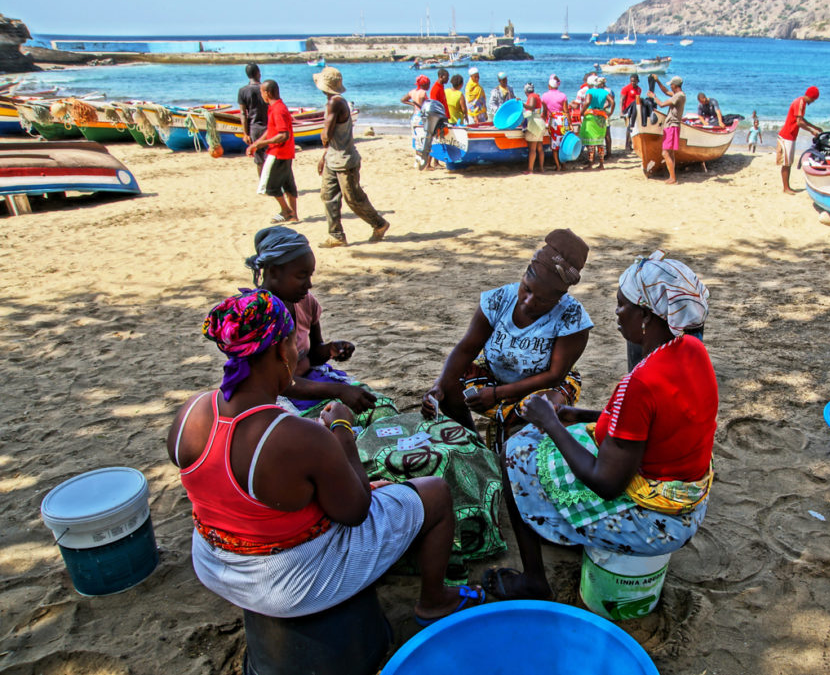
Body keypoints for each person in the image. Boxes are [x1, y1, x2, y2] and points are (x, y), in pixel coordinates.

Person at [167, 289, 484, 624]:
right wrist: (342, 428)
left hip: (213, 565)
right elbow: (356, 511)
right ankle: (434, 601)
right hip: (285, 584)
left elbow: (234, 486)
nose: (295, 353)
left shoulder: (192, 413)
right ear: (280, 350)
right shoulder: (298, 436)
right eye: (292, 344)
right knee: (435, 493)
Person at [485, 250, 717, 601]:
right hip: (687, 499)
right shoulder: (691, 349)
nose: (617, 311)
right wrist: (583, 416)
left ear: (645, 317)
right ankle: (575, 532)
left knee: (516, 452)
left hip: (656, 522)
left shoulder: (641, 383)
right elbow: (655, 422)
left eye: (623, 305)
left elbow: (606, 483)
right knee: (559, 437)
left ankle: (534, 579)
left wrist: (550, 422)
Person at [421, 229, 593, 446]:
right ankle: (476, 446)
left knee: (542, 412)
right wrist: (439, 385)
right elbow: (467, 348)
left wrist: (496, 394)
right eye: (526, 289)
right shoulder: (498, 299)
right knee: (448, 388)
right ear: (523, 277)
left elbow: (554, 375)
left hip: (544, 383)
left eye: (541, 299)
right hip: (495, 372)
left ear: (559, 298)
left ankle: (516, 448)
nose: (528, 302)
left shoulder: (573, 319)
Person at [245, 226, 395, 426]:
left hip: (313, 381)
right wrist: (339, 391)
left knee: (382, 410)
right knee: (323, 432)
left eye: (310, 275)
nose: (309, 284)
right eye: (301, 276)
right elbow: (275, 382)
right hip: (278, 395)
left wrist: (331, 349)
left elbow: (312, 353)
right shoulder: (257, 315)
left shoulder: (305, 302)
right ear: (273, 272)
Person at [314, 67, 389, 248]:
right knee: (328, 196)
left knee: (353, 198)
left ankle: (379, 223)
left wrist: (325, 143)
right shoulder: (334, 102)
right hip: (334, 158)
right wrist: (324, 156)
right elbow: (331, 138)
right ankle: (336, 235)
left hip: (344, 160)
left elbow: (326, 135)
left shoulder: (335, 103)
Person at [246, 79, 298, 223]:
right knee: (288, 184)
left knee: (271, 185)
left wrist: (263, 142)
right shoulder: (275, 107)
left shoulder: (278, 109)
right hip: (286, 151)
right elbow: (271, 129)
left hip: (279, 153)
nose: (261, 95)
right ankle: (293, 215)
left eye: (262, 92)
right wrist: (257, 143)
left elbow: (283, 135)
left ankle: (286, 211)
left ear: (267, 93)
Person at [778, 86, 822, 194]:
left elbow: (802, 120)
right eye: (813, 99)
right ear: (811, 96)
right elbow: (799, 122)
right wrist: (812, 131)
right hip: (787, 135)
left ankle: (787, 187)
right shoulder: (800, 103)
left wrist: (815, 127)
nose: (813, 102)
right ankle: (786, 188)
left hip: (791, 136)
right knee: (786, 163)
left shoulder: (801, 103)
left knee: (788, 163)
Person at [647, 75, 686, 184]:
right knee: (670, 153)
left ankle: (673, 178)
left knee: (665, 153)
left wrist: (653, 96)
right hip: (673, 126)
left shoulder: (679, 96)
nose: (671, 87)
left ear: (675, 85)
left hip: (672, 126)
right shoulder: (678, 95)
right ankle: (672, 176)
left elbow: (662, 104)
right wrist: (657, 80)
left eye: (672, 85)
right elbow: (665, 91)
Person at [237, 63, 268, 178]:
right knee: (272, 156)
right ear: (258, 73)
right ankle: (273, 184)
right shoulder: (266, 89)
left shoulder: (243, 91)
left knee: (259, 159)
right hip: (269, 126)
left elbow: (243, 114)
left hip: (254, 127)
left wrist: (245, 133)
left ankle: (263, 184)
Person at [580, 75, 613, 169]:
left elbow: (587, 102)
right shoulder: (604, 92)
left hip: (591, 117)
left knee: (591, 142)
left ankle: (591, 163)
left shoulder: (589, 91)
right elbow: (612, 102)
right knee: (600, 142)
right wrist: (610, 113)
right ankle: (601, 164)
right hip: (601, 117)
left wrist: (582, 112)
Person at [540, 75, 569, 172]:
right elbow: (566, 111)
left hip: (553, 121)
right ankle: (564, 165)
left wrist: (541, 122)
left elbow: (544, 112)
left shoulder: (544, 96)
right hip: (562, 120)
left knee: (554, 145)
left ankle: (558, 166)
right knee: (563, 143)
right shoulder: (563, 95)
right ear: (557, 86)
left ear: (549, 86)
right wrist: (570, 124)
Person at [522, 83, 547, 174]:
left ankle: (530, 169)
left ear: (526, 91)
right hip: (540, 122)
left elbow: (531, 107)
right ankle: (541, 168)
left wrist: (522, 104)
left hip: (535, 124)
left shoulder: (532, 96)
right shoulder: (537, 96)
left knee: (532, 149)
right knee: (539, 148)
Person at [620, 73, 642, 153]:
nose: (633, 83)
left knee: (634, 127)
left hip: (635, 110)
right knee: (629, 127)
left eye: (634, 81)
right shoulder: (626, 88)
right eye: (631, 81)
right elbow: (622, 100)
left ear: (637, 81)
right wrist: (621, 112)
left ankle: (631, 144)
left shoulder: (639, 89)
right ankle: (627, 145)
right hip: (627, 110)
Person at [597, 76, 616, 157]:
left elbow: (610, 102)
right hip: (606, 111)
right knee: (607, 133)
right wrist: (610, 111)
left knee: (603, 133)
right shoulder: (609, 90)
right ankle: (609, 152)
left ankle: (606, 153)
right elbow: (613, 99)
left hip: (602, 111)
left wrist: (604, 107)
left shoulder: (605, 91)